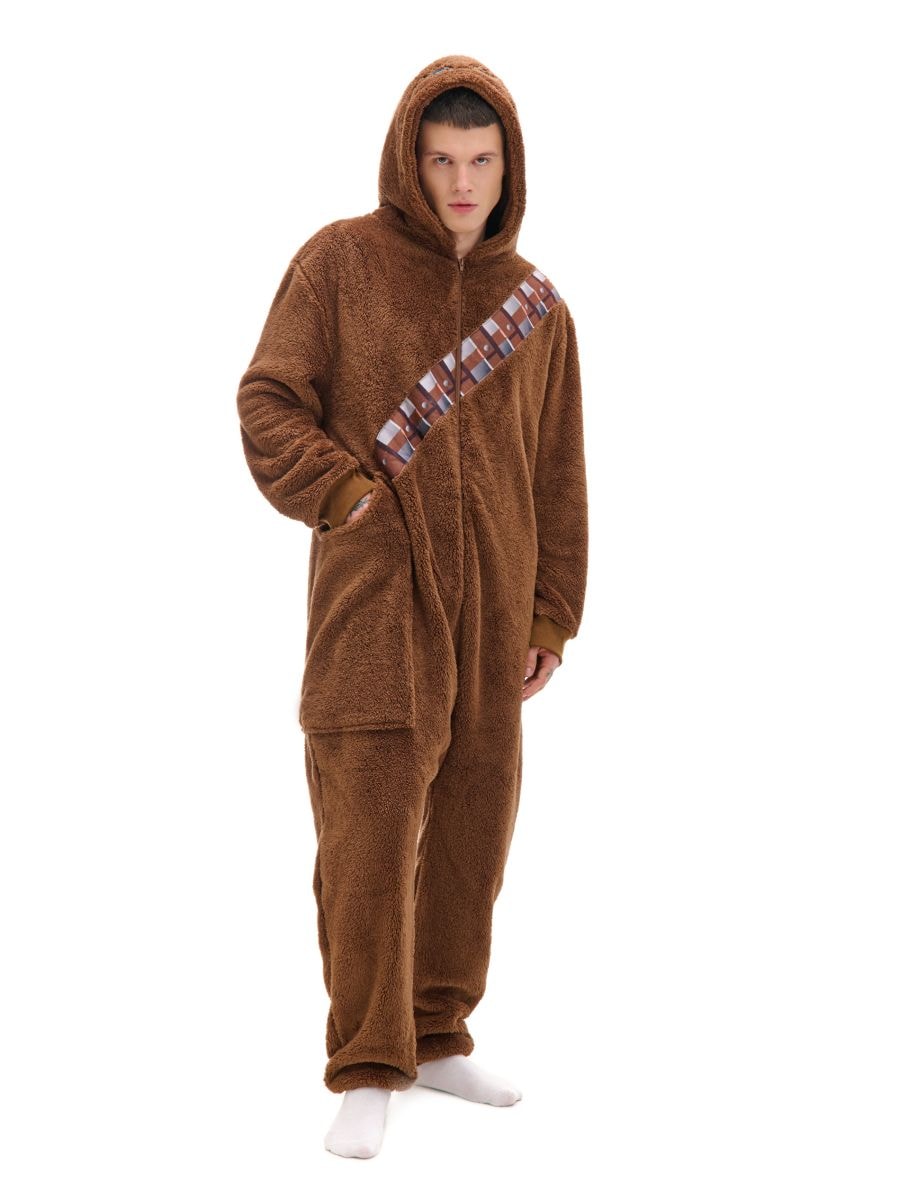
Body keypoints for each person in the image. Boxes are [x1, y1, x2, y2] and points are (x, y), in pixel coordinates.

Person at [235, 53, 589, 1158]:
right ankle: (367, 1061)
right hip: (376, 605)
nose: (462, 184)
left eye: (481, 161)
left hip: (496, 615)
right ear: (410, 159)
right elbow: (268, 401)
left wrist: (549, 613)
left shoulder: (538, 309)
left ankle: (436, 1036)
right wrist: (347, 497)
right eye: (442, 161)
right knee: (369, 833)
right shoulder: (339, 264)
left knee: (475, 827)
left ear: (508, 165)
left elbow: (559, 473)